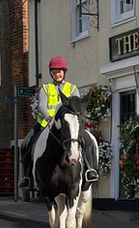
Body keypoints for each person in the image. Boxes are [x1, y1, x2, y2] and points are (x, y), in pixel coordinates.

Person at [18, 56, 100, 189]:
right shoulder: (46, 88)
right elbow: (42, 106)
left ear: (64, 72)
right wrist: (49, 116)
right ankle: (27, 176)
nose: (57, 74)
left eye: (60, 71)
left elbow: (77, 106)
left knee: (88, 140)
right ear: (51, 73)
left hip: (69, 125)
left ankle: (91, 170)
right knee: (27, 143)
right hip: (48, 124)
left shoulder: (72, 88)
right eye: (54, 71)